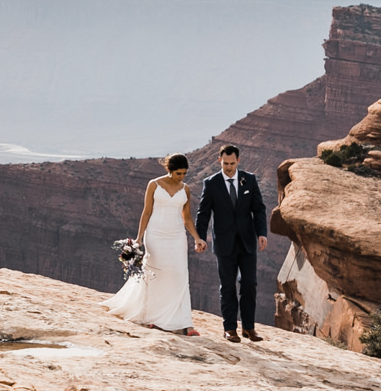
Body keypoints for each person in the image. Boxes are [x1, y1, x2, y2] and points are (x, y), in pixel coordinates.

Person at [110, 153, 196, 334]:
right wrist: (139, 238)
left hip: (177, 237)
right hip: (156, 235)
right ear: (169, 170)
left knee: (180, 275)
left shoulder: (185, 189)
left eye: (184, 174)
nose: (181, 177)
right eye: (178, 173)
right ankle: (155, 317)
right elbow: (146, 212)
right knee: (157, 274)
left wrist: (197, 238)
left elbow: (187, 218)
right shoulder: (154, 185)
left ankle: (185, 323)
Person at [195, 144, 269, 343]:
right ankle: (230, 329)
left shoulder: (249, 180)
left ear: (238, 160)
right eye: (225, 163)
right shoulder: (211, 183)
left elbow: (259, 209)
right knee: (227, 286)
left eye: (232, 163)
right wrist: (199, 237)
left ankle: (249, 328)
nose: (228, 167)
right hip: (224, 244)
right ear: (219, 161)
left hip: (247, 242)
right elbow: (203, 213)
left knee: (249, 285)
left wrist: (262, 233)